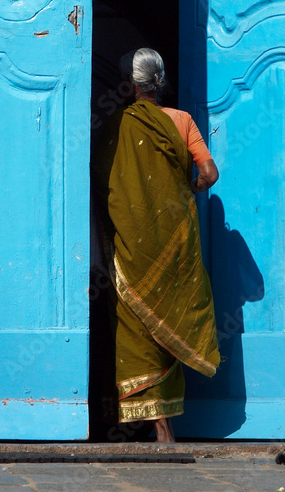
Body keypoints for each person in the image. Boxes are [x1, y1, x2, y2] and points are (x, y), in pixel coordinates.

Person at [92, 48, 220, 442]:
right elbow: (209, 173)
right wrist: (183, 192)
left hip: (134, 245)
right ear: (160, 82)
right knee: (169, 321)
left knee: (137, 324)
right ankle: (164, 425)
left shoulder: (118, 125)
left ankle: (146, 421)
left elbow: (104, 184)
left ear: (130, 85)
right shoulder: (182, 120)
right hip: (176, 244)